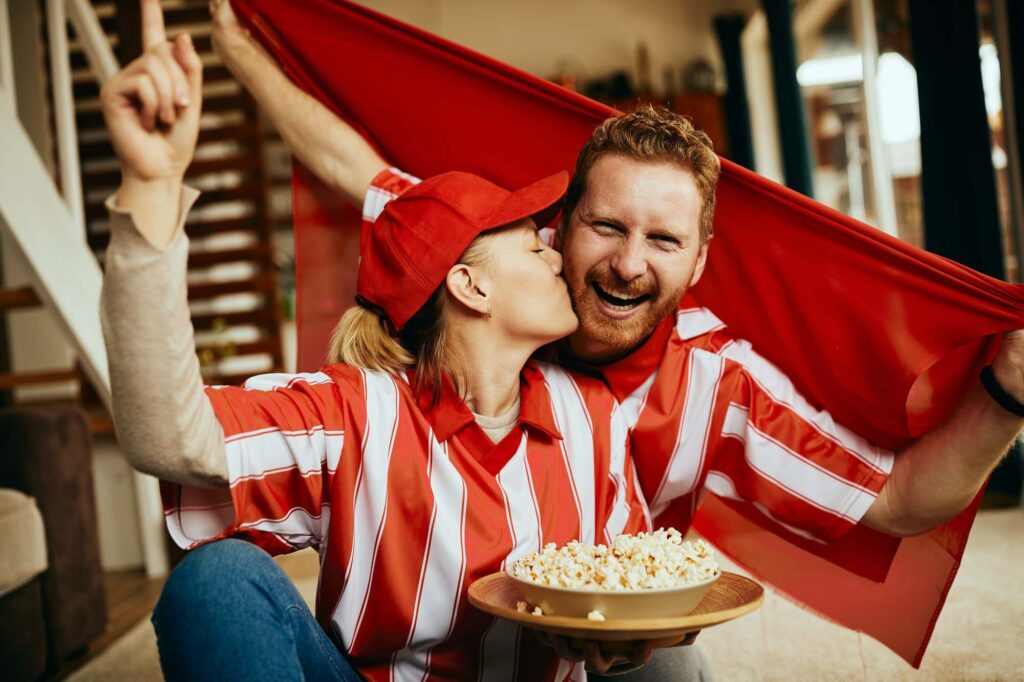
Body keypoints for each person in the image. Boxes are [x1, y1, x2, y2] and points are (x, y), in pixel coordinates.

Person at [207, 0, 1024, 677]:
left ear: (699, 262)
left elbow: (899, 501)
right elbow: (358, 170)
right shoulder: (493, 269)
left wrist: (1008, 389)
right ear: (555, 231)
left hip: (590, 649)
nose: (628, 265)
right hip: (425, 612)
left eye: (664, 243)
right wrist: (243, 50)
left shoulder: (711, 383)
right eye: (606, 226)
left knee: (676, 669)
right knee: (219, 583)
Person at [98, 3, 671, 680]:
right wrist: (154, 187)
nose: (553, 250)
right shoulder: (354, 414)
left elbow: (635, 587)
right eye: (527, 240)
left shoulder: (594, 416)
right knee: (216, 579)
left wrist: (626, 637)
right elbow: (166, 439)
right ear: (469, 286)